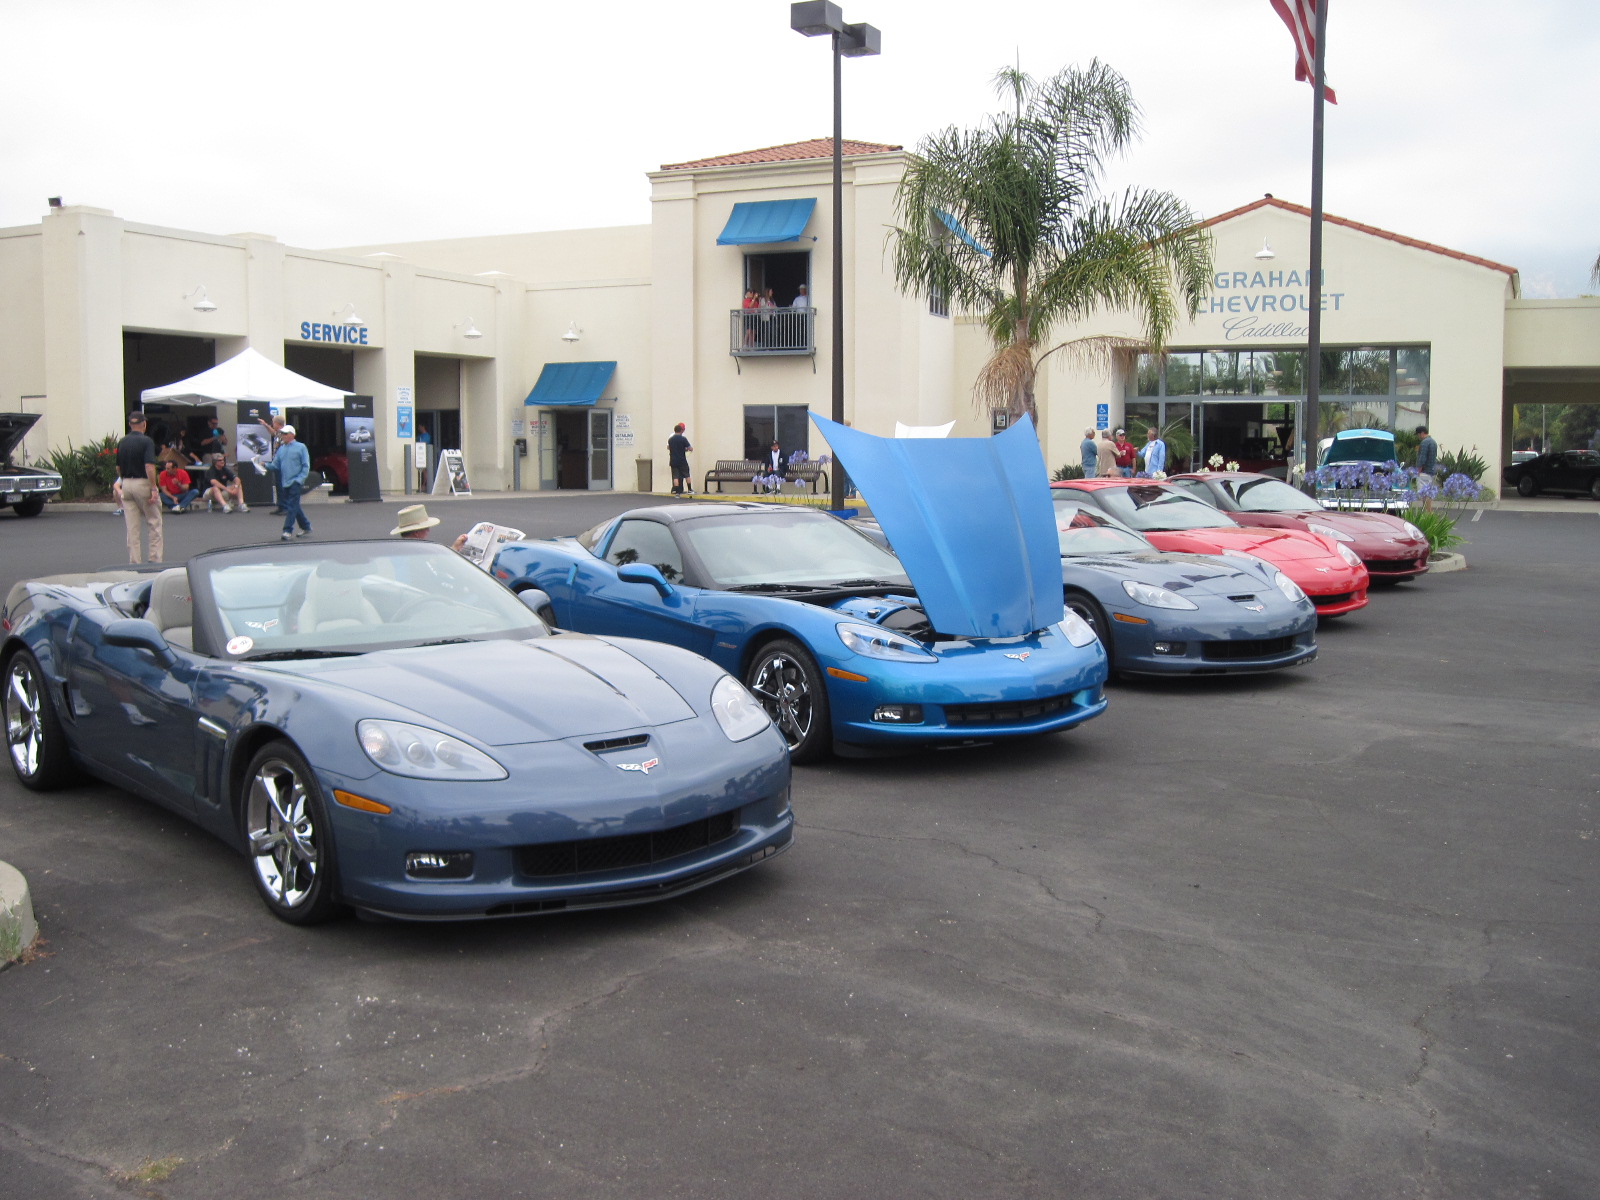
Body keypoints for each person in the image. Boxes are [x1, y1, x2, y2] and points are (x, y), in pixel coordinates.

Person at [116, 411, 162, 563]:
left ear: (130, 424)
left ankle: (134, 562)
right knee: (154, 522)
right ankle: (154, 559)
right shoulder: (147, 441)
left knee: (132, 527)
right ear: (144, 424)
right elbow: (149, 466)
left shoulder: (122, 442)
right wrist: (153, 487)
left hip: (126, 483)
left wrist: (123, 480)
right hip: (142, 482)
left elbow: (118, 467)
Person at [265, 423, 312, 541]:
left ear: (292, 435)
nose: (283, 436)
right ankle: (306, 526)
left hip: (295, 481)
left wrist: (300, 479)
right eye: (282, 434)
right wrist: (264, 465)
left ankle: (287, 530)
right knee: (294, 505)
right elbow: (275, 465)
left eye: (285, 434)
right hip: (285, 482)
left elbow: (306, 465)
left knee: (291, 506)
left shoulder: (301, 447)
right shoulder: (281, 449)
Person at [390, 503, 468, 552]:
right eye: (426, 528)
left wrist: (455, 548)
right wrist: (454, 548)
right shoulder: (421, 551)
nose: (428, 531)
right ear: (417, 533)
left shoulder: (396, 550)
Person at [667, 423, 693, 496]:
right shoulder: (683, 439)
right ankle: (690, 489)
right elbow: (690, 448)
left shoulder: (670, 439)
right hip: (682, 460)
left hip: (673, 460)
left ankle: (677, 491)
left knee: (675, 476)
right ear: (681, 430)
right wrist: (686, 449)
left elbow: (669, 447)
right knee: (687, 474)